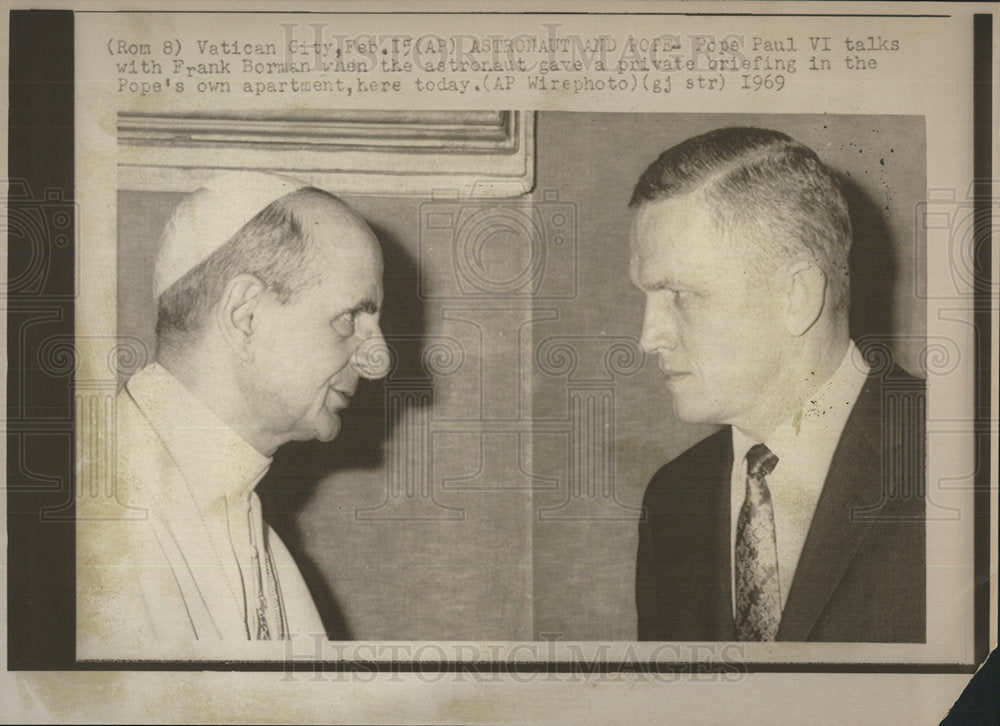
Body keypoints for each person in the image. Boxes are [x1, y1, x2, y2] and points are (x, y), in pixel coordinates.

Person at [630, 127, 925, 642]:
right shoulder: (675, 498)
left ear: (798, 294)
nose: (648, 337)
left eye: (678, 294)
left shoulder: (964, 460)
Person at [78, 172, 388, 657]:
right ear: (246, 315)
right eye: (350, 318)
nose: (378, 361)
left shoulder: (247, 519)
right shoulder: (82, 516)